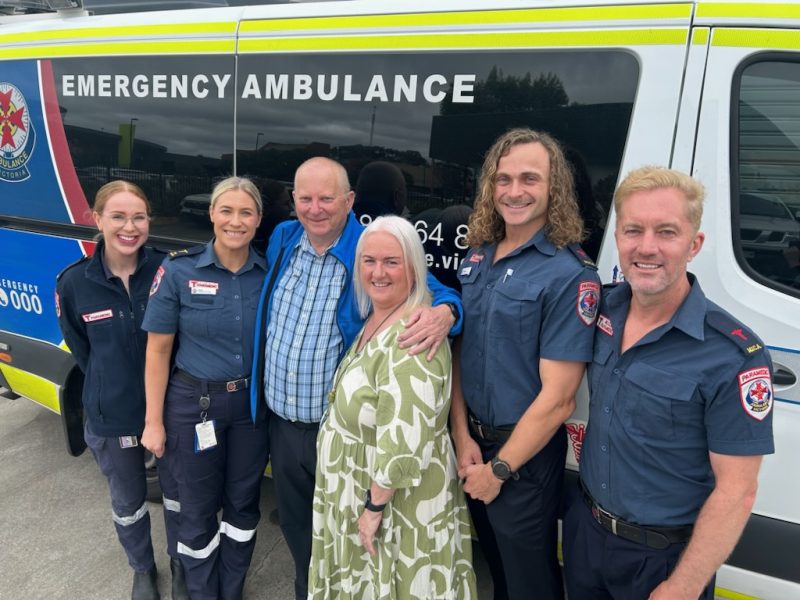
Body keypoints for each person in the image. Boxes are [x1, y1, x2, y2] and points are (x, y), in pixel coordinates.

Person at [250, 156, 463, 600]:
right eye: (305, 198)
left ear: (349, 201)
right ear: (292, 201)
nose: (315, 208)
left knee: (355, 544)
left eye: (327, 198)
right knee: (301, 529)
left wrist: (447, 311)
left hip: (346, 432)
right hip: (283, 426)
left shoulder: (365, 248)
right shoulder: (284, 239)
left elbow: (423, 286)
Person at [562, 166, 775, 599]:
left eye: (666, 232)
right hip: (586, 532)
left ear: (693, 244)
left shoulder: (732, 355)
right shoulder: (599, 309)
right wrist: (447, 310)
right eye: (633, 230)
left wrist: (684, 586)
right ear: (617, 236)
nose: (646, 247)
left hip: (661, 559)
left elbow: (737, 491)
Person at [450, 128, 600, 600]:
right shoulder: (479, 255)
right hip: (472, 445)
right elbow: (459, 352)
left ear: (554, 188)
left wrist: (498, 471)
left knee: (530, 581)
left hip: (523, 459)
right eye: (504, 179)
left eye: (530, 179)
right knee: (495, 566)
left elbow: (559, 399)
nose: (514, 191)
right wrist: (461, 435)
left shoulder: (570, 274)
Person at [307, 215, 477, 599]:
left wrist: (372, 509)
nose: (378, 272)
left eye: (391, 262)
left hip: (392, 506)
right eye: (369, 261)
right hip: (357, 487)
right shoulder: (377, 316)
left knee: (390, 585)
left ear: (414, 269)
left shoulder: (415, 335)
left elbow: (403, 443)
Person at [55, 180, 187, 600]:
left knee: (180, 497)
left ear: (150, 220)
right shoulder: (75, 283)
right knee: (128, 501)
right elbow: (82, 348)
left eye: (139, 217)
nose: (130, 227)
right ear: (97, 219)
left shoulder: (169, 271)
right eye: (118, 216)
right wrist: (110, 385)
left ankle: (182, 564)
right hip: (112, 413)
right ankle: (143, 569)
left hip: (171, 409)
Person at [141, 177, 270, 600]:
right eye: (227, 211)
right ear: (212, 214)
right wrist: (153, 422)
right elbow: (158, 352)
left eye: (246, 212)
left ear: (258, 220)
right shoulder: (179, 270)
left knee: (242, 507)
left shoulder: (268, 273)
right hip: (193, 406)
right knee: (196, 511)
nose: (236, 221)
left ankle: (230, 590)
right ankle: (201, 592)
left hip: (251, 409)